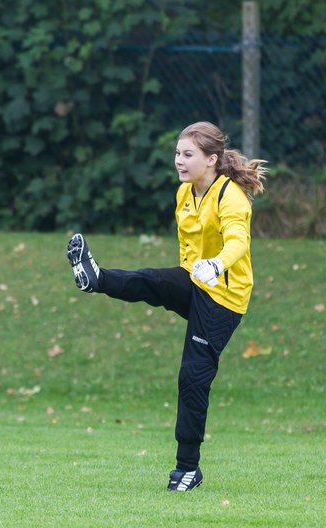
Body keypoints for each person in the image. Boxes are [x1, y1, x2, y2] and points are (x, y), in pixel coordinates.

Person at [67, 121, 267, 492]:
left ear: (211, 159)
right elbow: (189, 252)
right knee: (154, 281)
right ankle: (97, 279)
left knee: (192, 376)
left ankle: (188, 469)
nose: (179, 160)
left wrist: (217, 264)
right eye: (177, 153)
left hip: (224, 299)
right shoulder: (184, 193)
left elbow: (238, 242)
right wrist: (196, 271)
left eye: (187, 154)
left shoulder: (231, 196)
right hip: (195, 280)